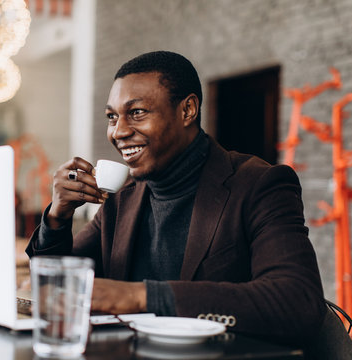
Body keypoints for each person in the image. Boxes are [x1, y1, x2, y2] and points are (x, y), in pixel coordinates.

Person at [26, 51, 328, 350]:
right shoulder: (123, 199)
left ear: (187, 110)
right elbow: (55, 286)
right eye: (112, 117)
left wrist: (141, 297)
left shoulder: (259, 184)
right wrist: (57, 218)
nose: (118, 131)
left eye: (137, 112)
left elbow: (297, 302)